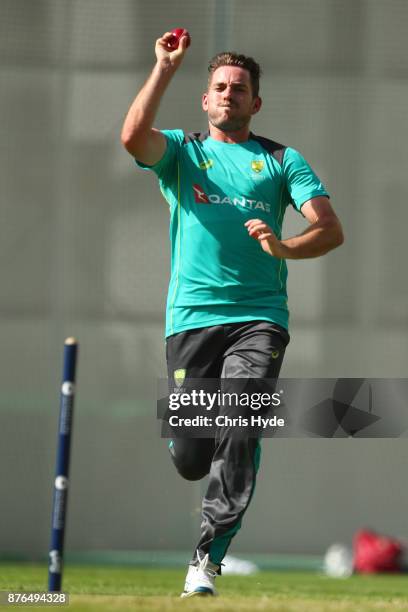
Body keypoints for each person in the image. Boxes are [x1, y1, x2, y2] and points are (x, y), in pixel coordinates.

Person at [121, 31, 344, 597]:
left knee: (242, 419)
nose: (228, 95)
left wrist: (285, 247)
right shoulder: (184, 153)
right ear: (206, 98)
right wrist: (165, 67)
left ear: (255, 102)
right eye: (219, 87)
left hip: (260, 317)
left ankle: (207, 557)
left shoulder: (280, 160)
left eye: (239, 89)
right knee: (192, 459)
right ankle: (187, 441)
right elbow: (131, 138)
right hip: (191, 321)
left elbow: (329, 228)